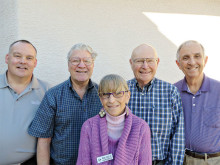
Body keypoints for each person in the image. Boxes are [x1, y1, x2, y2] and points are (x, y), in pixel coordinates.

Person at [28, 43, 102, 164]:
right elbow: (43, 140)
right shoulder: (53, 96)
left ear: (93, 65)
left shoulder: (103, 95)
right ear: (68, 65)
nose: (81, 65)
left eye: (87, 61)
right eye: (75, 60)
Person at [128, 44, 185, 165]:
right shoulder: (122, 90)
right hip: (128, 161)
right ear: (131, 63)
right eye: (139, 61)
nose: (145, 66)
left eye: (150, 61)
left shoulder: (170, 92)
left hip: (159, 162)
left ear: (157, 62)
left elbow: (177, 134)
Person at [77, 74, 152, 165]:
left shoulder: (141, 128)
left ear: (127, 96)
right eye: (105, 94)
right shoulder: (89, 127)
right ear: (101, 99)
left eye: (118, 93)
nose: (111, 100)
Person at [0, 40, 51, 165]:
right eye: (17, 56)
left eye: (29, 58)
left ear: (35, 62)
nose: (23, 61)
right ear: (7, 58)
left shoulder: (47, 92)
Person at [175, 40, 220, 165]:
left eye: (197, 56)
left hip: (214, 161)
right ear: (178, 64)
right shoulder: (172, 92)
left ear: (205, 60)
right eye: (186, 58)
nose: (192, 62)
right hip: (182, 160)